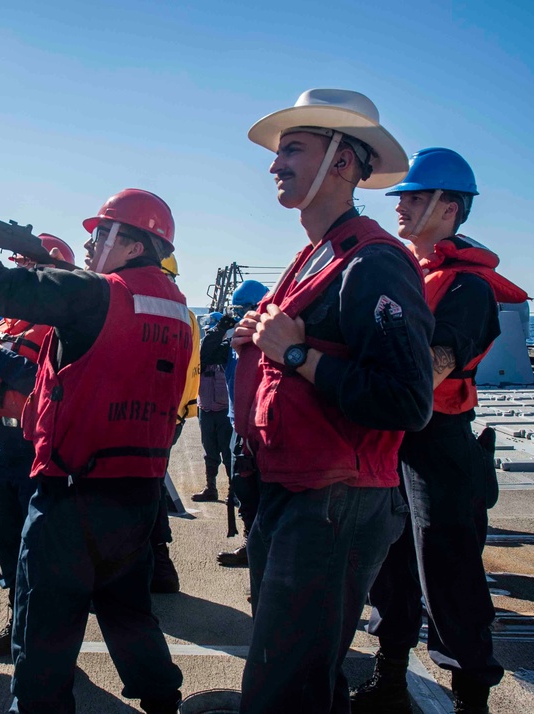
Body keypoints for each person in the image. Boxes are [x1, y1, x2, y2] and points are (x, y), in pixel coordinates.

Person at [0, 188, 190, 714]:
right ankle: (163, 701)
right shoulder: (176, 306)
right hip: (137, 490)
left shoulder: (98, 293)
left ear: (134, 246)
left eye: (102, 234)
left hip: (71, 493)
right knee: (128, 611)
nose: (89, 246)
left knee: (43, 628)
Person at [233, 89, 435, 712]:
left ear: (343, 162)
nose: (275, 165)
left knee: (282, 688)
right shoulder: (316, 256)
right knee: (300, 675)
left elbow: (407, 400)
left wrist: (298, 356)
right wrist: (263, 342)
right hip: (298, 492)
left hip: (335, 503)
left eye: (293, 148)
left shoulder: (374, 262)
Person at [352, 149, 524, 714]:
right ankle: (391, 679)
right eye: (402, 196)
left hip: (440, 445)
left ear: (450, 208)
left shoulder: (467, 288)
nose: (400, 205)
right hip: (395, 441)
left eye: (416, 197)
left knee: (448, 572)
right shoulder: (410, 275)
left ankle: (471, 698)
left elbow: (431, 370)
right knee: (390, 565)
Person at [0, 233, 73, 659]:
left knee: (38, 546)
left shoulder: (62, 324)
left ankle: (39, 636)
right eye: (18, 266)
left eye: (27, 266)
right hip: (3, 443)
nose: (18, 273)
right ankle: (18, 624)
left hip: (37, 445)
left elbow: (43, 382)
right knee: (7, 538)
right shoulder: (10, 321)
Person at [149, 253, 200, 594]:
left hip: (153, 416)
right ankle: (159, 564)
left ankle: (157, 564)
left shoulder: (157, 310)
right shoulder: (186, 314)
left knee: (141, 489)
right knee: (148, 487)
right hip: (172, 414)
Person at [209, 280, 268, 568]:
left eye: (248, 308)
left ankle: (265, 558)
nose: (244, 315)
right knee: (244, 490)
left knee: (266, 493)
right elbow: (206, 356)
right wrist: (222, 327)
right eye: (239, 310)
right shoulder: (233, 344)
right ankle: (251, 545)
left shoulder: (272, 339)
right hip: (238, 426)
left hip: (264, 429)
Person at [191, 311, 232, 503]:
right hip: (206, 409)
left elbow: (214, 346)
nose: (209, 334)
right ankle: (211, 488)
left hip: (224, 410)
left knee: (228, 452)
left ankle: (234, 490)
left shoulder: (228, 348)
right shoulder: (204, 350)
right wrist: (218, 329)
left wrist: (221, 330)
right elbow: (206, 349)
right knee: (210, 451)